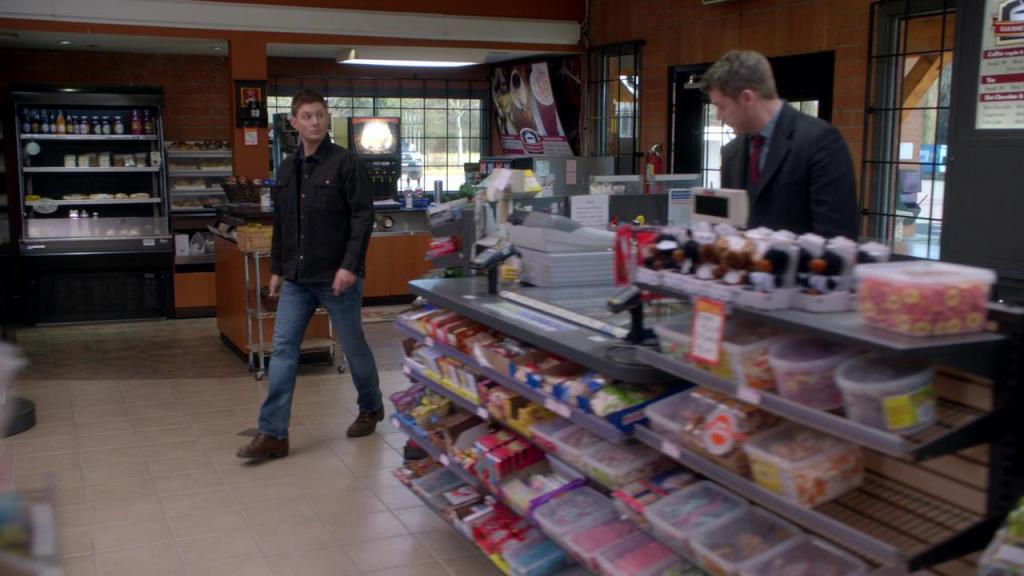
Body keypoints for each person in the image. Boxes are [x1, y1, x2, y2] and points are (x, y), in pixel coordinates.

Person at [238, 89, 382, 460]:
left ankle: (370, 406)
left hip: (337, 278)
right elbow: (284, 222)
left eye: (319, 114)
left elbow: (362, 218)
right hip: (298, 279)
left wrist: (350, 266)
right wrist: (277, 269)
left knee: (353, 346)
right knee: (283, 349)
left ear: (326, 117)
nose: (315, 122)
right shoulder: (288, 167)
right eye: (307, 116)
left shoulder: (346, 163)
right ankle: (273, 433)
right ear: (294, 122)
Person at [704, 50, 858, 239]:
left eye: (721, 107)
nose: (719, 116)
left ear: (747, 98)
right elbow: (730, 229)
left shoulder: (819, 141)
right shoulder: (732, 152)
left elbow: (838, 237)